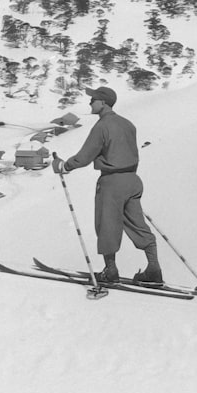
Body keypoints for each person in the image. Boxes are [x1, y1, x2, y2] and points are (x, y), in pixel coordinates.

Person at [52, 86, 163, 287]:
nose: (90, 102)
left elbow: (85, 156)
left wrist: (63, 166)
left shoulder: (102, 126)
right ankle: (154, 269)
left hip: (112, 181)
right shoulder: (128, 124)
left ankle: (110, 271)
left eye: (93, 99)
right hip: (133, 180)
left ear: (103, 102)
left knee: (107, 225)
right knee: (138, 224)